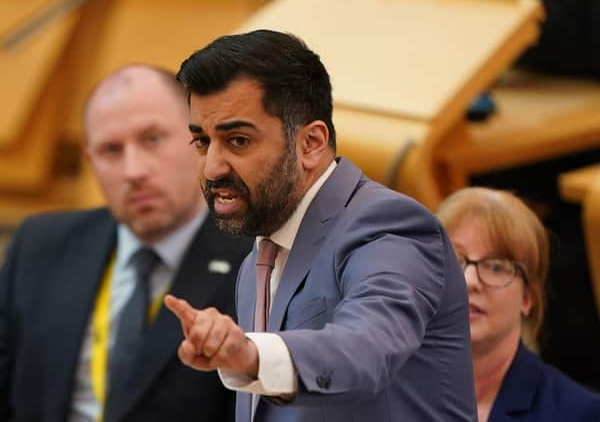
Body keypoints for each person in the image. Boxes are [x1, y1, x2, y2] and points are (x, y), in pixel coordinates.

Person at [163, 29, 477, 422]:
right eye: (202, 142)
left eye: (238, 141)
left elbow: (367, 346)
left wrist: (250, 354)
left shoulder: (388, 227)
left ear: (311, 143)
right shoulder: (255, 262)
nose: (212, 168)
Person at [0, 65, 252, 422]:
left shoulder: (255, 260)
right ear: (91, 161)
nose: (133, 170)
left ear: (200, 140)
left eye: (152, 139)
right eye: (111, 150)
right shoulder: (40, 245)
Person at [436, 187, 600, 422]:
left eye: (495, 266)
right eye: (453, 259)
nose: (469, 281)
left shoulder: (580, 414)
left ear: (528, 298)